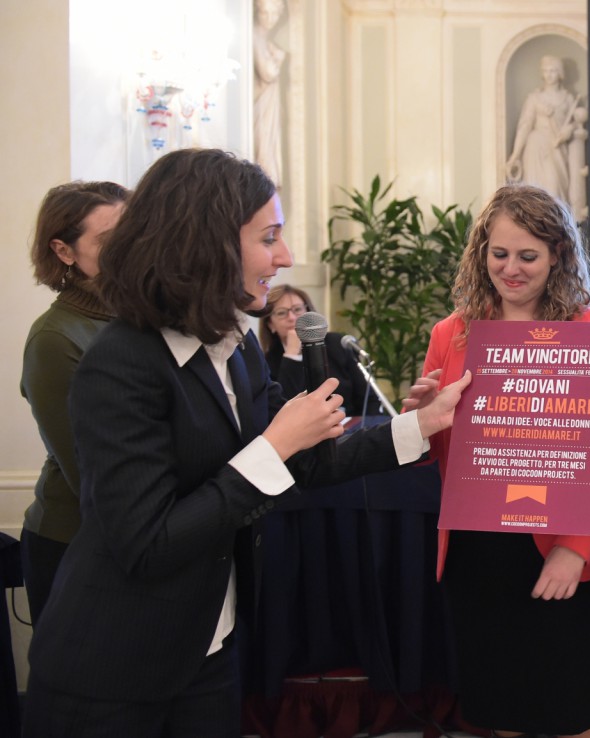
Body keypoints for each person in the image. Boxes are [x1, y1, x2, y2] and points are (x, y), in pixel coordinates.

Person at [21, 148, 470, 737]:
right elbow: (147, 543)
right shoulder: (118, 364)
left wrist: (422, 424)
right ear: (205, 242)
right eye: (270, 238)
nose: (284, 258)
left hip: (212, 645)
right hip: (117, 666)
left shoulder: (235, 346)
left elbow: (304, 462)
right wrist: (275, 446)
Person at [405, 184, 590, 738]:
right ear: (481, 253)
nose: (510, 269)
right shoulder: (452, 333)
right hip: (480, 555)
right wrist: (421, 421)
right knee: (503, 713)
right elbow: (444, 457)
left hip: (562, 555)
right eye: (498, 253)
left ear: (557, 254)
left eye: (528, 255)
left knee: (576, 717)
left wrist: (571, 550)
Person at [20, 180, 129, 625]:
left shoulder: (140, 319)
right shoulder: (55, 337)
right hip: (74, 542)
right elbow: (87, 469)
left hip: (131, 532)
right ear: (64, 252)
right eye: (109, 241)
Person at [258, 284, 384, 415]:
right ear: (270, 324)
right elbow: (282, 409)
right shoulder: (267, 362)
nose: (292, 318)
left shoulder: (337, 343)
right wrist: (291, 356)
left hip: (350, 426)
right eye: (282, 313)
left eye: (297, 309)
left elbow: (369, 399)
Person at [506, 55, 588, 222]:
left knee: (556, 189)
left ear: (560, 73)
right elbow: (525, 126)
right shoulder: (534, 99)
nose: (549, 75)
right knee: (538, 191)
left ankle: (556, 227)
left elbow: (576, 124)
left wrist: (569, 130)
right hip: (536, 146)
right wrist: (515, 155)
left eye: (553, 71)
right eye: (545, 71)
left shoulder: (568, 98)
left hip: (558, 148)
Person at [253, 0, 286, 187]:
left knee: (267, 147)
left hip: (269, 102)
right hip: (261, 102)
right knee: (262, 149)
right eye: (266, 13)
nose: (270, 19)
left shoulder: (266, 40)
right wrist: (278, 58)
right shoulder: (254, 35)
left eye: (274, 14)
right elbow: (268, 72)